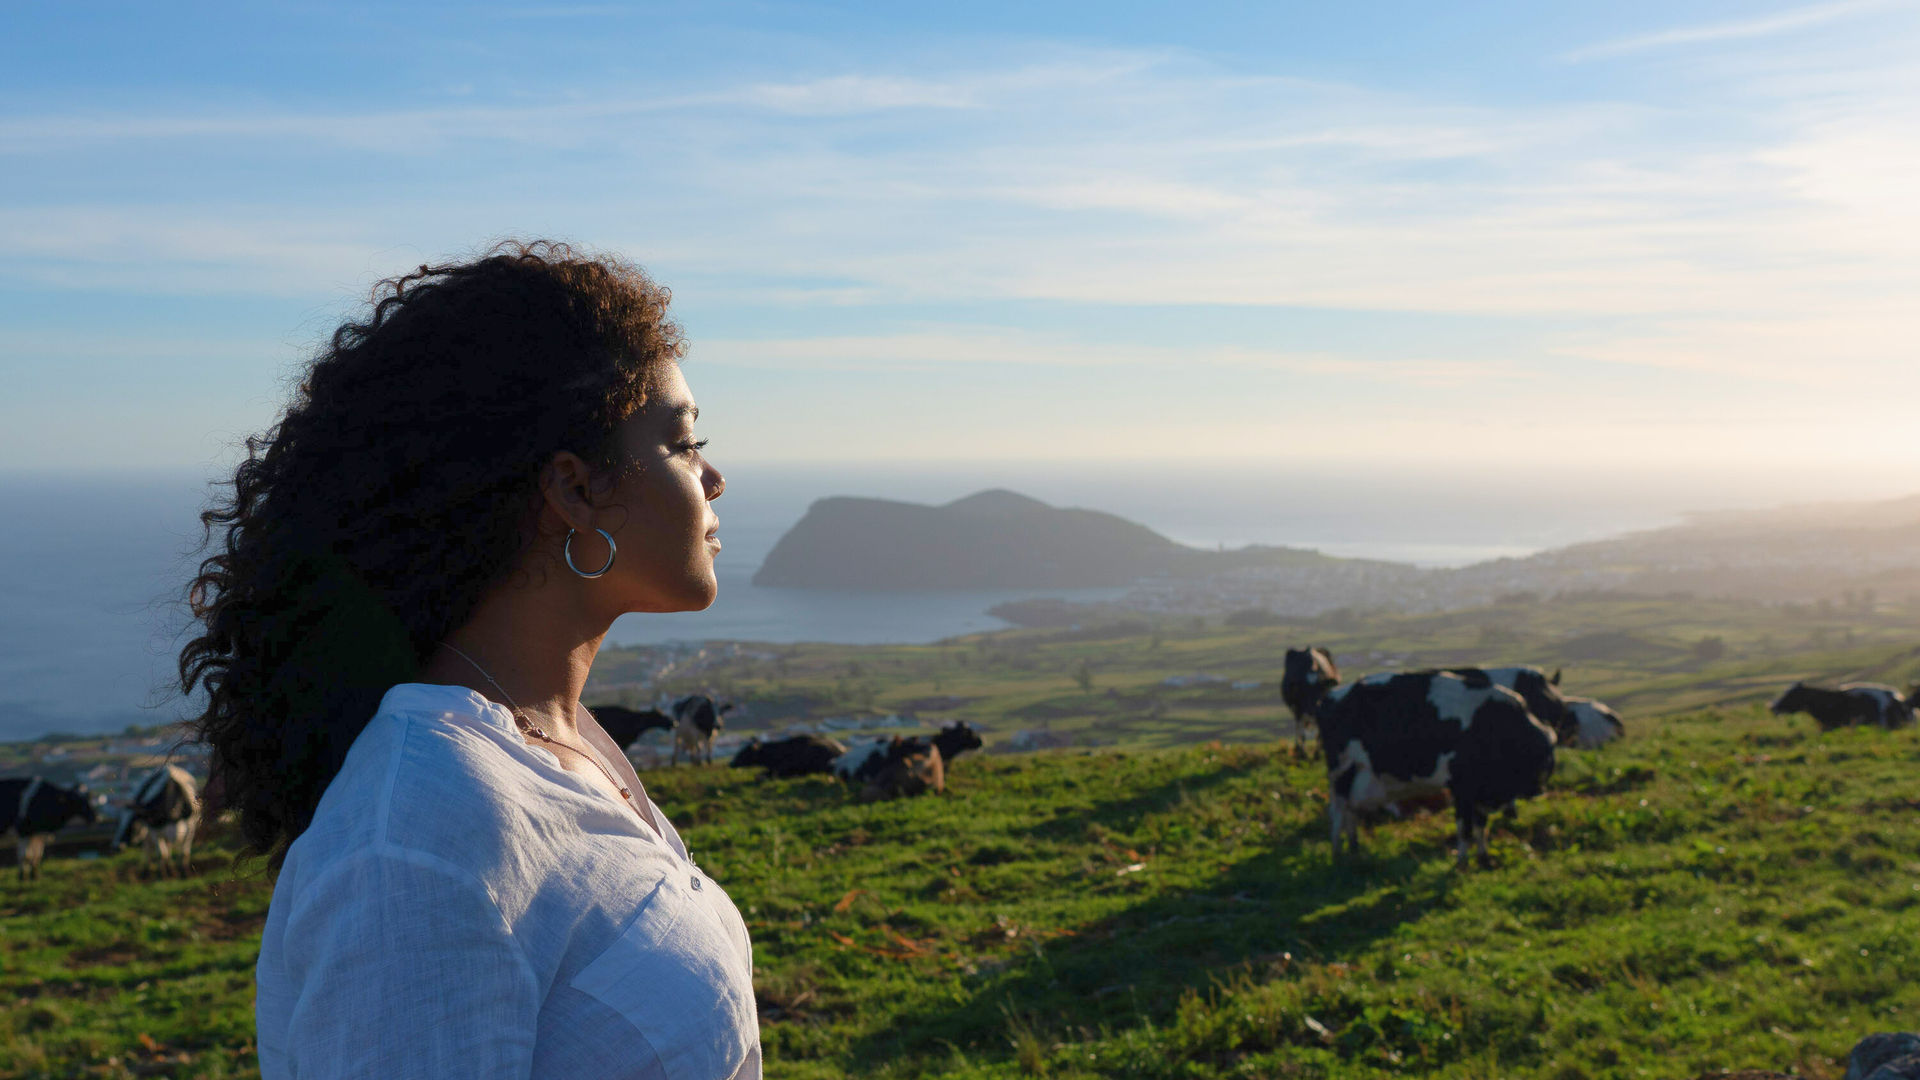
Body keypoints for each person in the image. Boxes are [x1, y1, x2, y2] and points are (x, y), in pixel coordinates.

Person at [180, 241, 760, 1078]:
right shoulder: (418, 836)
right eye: (681, 442)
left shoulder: (553, 741)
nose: (712, 477)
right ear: (572, 490)